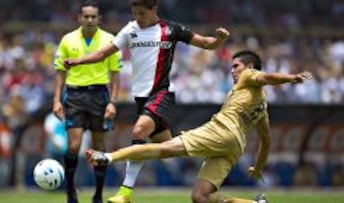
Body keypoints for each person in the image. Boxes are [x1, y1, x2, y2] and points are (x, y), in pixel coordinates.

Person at [86, 50, 313, 203]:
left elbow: (266, 76)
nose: (233, 71)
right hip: (234, 148)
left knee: (165, 148)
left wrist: (290, 78)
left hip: (221, 132)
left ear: (249, 67)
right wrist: (258, 168)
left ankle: (108, 157)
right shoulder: (262, 105)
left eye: (236, 66)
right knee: (200, 197)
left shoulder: (248, 76)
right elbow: (266, 141)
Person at [64, 0, 229, 202]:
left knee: (138, 132)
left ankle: (125, 192)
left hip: (162, 94)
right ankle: (213, 157)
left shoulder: (171, 29)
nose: (138, 18)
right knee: (169, 149)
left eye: (141, 13)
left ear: (154, 10)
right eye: (134, 13)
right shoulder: (130, 29)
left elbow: (206, 43)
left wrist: (219, 39)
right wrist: (78, 61)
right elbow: (102, 54)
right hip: (142, 99)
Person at [52, 1, 123, 203]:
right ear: (80, 18)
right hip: (74, 95)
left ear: (99, 19)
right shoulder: (68, 40)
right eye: (86, 16)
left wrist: (113, 102)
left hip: (99, 95)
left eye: (94, 17)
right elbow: (60, 72)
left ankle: (98, 194)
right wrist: (56, 100)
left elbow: (116, 74)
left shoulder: (110, 40)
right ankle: (70, 191)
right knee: (74, 146)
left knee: (99, 146)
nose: (90, 20)